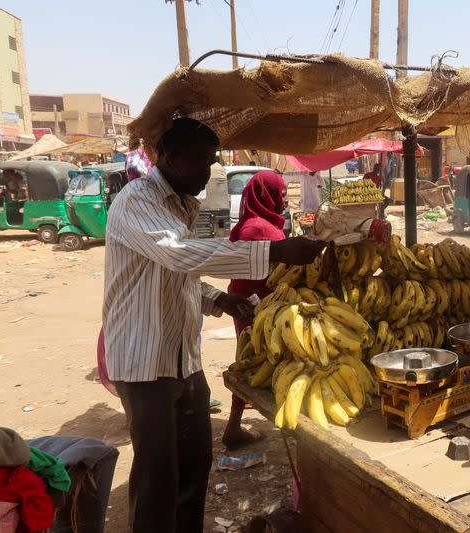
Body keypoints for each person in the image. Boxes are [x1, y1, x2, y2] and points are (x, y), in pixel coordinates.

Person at [103, 117, 325, 532]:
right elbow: (182, 254)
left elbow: (176, 274)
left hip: (183, 358)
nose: (208, 173)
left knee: (195, 466)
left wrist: (219, 298)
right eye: (201, 162)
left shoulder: (184, 203)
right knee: (157, 476)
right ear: (169, 156)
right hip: (143, 361)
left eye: (213, 162)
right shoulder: (137, 201)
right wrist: (275, 251)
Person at [222, 170, 287, 449]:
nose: (284, 200)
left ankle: (235, 426)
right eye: (280, 194)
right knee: (254, 363)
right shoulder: (256, 228)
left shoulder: (255, 222)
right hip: (254, 308)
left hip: (257, 303)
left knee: (254, 362)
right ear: (265, 195)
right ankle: (235, 428)